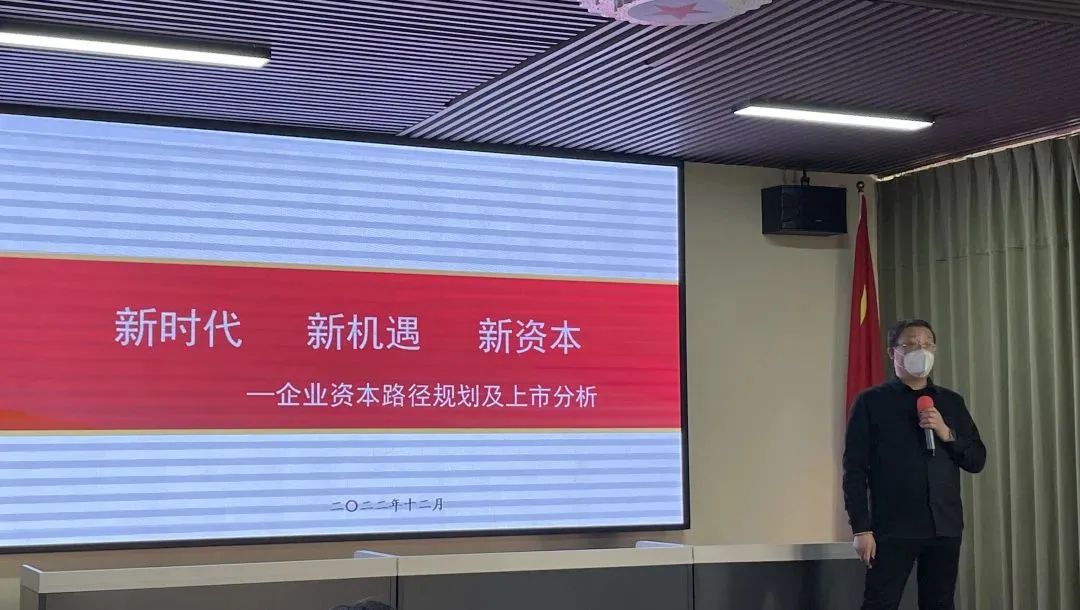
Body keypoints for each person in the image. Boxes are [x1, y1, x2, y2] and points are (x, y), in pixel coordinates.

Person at [843, 319, 987, 610]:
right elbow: (854, 470)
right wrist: (861, 528)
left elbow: (976, 460)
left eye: (927, 345)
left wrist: (946, 433)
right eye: (910, 345)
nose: (921, 351)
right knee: (880, 603)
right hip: (893, 526)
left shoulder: (951, 402)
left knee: (940, 603)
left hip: (944, 525)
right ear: (892, 352)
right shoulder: (871, 402)